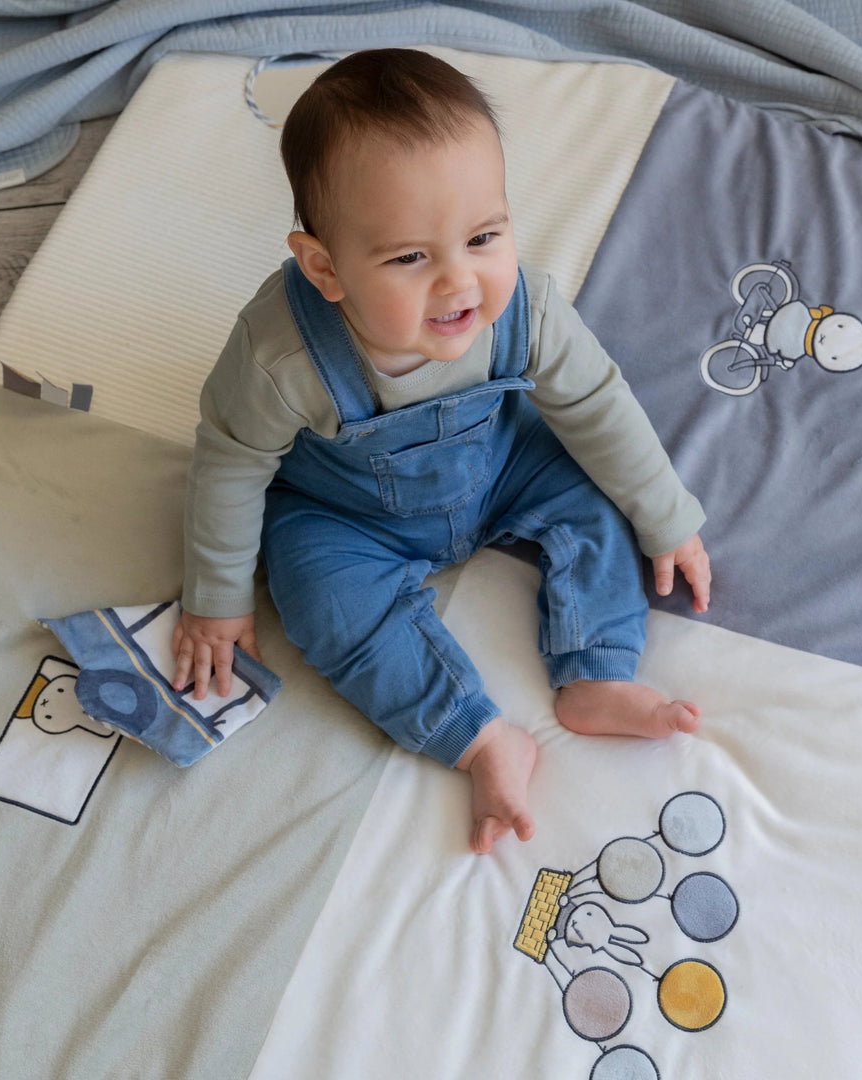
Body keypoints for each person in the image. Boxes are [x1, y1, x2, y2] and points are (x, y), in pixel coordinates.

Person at [172, 48, 711, 854]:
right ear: (325, 267)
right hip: (344, 512)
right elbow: (229, 463)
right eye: (411, 258)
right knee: (315, 597)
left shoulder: (521, 309)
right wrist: (215, 596)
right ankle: (479, 737)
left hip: (497, 466)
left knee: (601, 497)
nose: (461, 282)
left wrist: (665, 515)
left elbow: (597, 403)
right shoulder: (281, 355)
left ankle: (597, 668)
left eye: (484, 236)